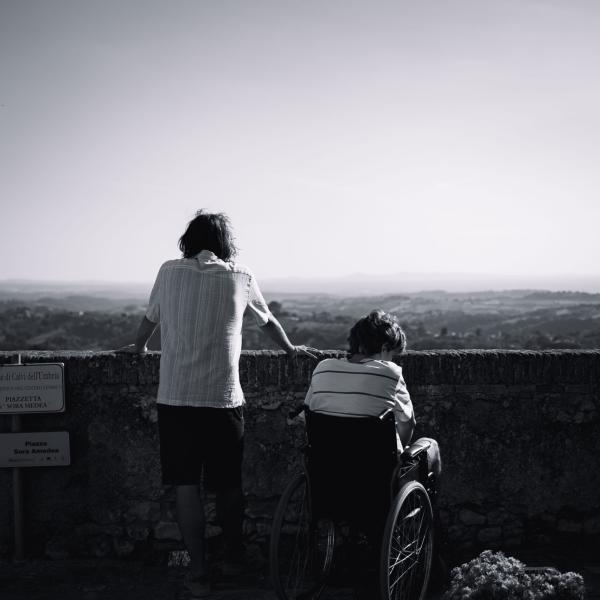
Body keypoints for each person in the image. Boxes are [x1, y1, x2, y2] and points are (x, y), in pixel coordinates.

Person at [118, 210, 315, 598]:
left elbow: (150, 318)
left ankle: (199, 572)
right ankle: (235, 555)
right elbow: (267, 320)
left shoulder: (169, 271)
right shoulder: (240, 276)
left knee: (186, 486)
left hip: (174, 397)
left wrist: (139, 348)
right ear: (225, 244)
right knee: (228, 487)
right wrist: (291, 349)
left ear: (188, 241)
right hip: (223, 399)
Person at [304, 308, 441, 485]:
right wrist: (399, 450)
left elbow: (308, 415)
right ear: (384, 348)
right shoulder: (389, 372)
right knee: (432, 446)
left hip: (328, 470)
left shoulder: (323, 367)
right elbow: (408, 423)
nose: (392, 360)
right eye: (392, 355)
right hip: (376, 473)